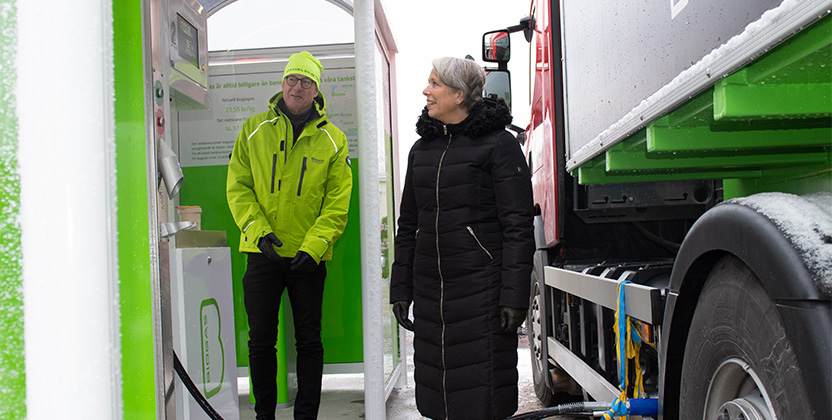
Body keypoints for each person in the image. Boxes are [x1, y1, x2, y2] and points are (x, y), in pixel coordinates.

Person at [390, 56, 535, 420]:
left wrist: (514, 296)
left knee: (480, 396)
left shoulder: (499, 146)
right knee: (438, 397)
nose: (426, 90)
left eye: (435, 83)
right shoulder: (420, 151)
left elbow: (518, 226)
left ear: (458, 94)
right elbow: (408, 227)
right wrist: (400, 288)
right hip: (430, 294)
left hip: (480, 294)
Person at [226, 50, 352, 420]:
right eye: (291, 80)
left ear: (317, 90)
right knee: (261, 340)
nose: (297, 87)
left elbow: (336, 205)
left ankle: (306, 417)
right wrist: (258, 232)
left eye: (306, 82)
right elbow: (238, 187)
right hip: (261, 253)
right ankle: (264, 414)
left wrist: (313, 248)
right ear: (282, 84)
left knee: (309, 341)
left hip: (307, 260)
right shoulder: (252, 129)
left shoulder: (334, 140)